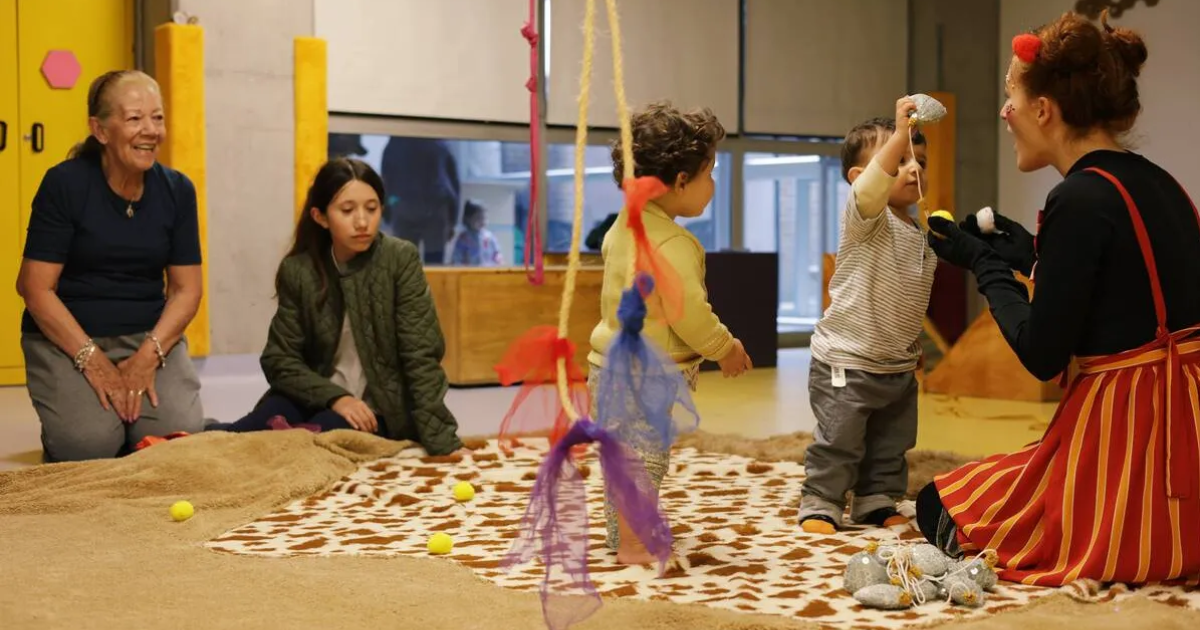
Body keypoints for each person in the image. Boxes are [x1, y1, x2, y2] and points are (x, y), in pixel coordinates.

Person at [919, 11, 1200, 585]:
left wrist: (984, 263)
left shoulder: (1078, 197)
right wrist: (1029, 253)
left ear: (1043, 109)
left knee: (939, 502)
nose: (1004, 113)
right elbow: (1129, 293)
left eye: (1009, 98)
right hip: (1188, 418)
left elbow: (1043, 354)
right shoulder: (1157, 181)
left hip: (1131, 430)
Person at [587, 102, 753, 564]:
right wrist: (726, 347)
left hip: (606, 365)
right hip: (648, 373)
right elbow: (690, 314)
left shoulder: (623, 226)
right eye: (710, 174)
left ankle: (621, 536)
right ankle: (635, 546)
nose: (713, 185)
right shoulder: (674, 243)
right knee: (644, 458)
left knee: (621, 455)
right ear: (681, 181)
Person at [210, 158, 465, 456]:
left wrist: (443, 441)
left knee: (313, 441)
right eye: (347, 210)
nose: (362, 221)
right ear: (320, 217)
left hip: (377, 409)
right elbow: (281, 360)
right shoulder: (299, 270)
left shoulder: (399, 259)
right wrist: (335, 397)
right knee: (243, 435)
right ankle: (174, 446)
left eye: (372, 209)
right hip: (316, 395)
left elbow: (421, 355)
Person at [15, 70, 205, 462]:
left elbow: (188, 289)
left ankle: (128, 422)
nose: (150, 130)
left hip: (147, 336)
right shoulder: (64, 184)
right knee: (88, 446)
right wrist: (94, 362)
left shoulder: (178, 191)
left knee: (176, 439)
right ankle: (90, 425)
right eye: (135, 118)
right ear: (100, 130)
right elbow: (35, 287)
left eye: (157, 117)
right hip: (68, 339)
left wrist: (148, 356)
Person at [798, 100, 935, 534]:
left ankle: (875, 498)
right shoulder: (865, 218)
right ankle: (822, 499)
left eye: (920, 162)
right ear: (861, 178)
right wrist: (899, 133)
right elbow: (872, 189)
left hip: (894, 364)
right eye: (899, 161)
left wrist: (916, 349)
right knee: (841, 439)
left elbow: (911, 299)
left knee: (890, 442)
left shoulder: (920, 232)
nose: (913, 169)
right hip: (847, 361)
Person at [379, 136, 460, 265]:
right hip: (435, 207)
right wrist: (453, 220)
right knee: (434, 263)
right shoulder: (440, 143)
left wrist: (389, 212)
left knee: (405, 266)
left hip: (404, 208)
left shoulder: (394, 144)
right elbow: (453, 182)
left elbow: (386, 180)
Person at [449, 200, 503, 266]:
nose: (482, 221)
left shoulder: (489, 237)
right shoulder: (464, 239)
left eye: (484, 218)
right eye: (478, 218)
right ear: (468, 219)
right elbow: (456, 258)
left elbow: (496, 253)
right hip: (470, 273)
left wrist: (498, 259)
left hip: (487, 271)